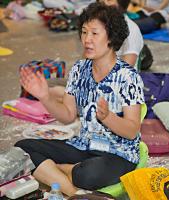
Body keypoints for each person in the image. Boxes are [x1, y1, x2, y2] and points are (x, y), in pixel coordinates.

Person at [15, 2, 144, 197]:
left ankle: (59, 171)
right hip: (84, 145)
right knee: (23, 149)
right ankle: (74, 193)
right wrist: (45, 97)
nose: (87, 40)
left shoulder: (127, 76)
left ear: (111, 37)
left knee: (89, 175)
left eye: (94, 33)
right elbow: (67, 116)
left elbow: (132, 130)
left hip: (118, 153)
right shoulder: (79, 69)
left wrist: (108, 117)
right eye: (84, 32)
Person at [49, 0, 144, 101]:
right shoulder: (99, 24)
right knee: (46, 86)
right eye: (84, 32)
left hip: (112, 91)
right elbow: (86, 63)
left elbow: (123, 76)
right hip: (93, 82)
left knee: (54, 92)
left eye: (109, 0)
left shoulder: (131, 30)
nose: (103, 1)